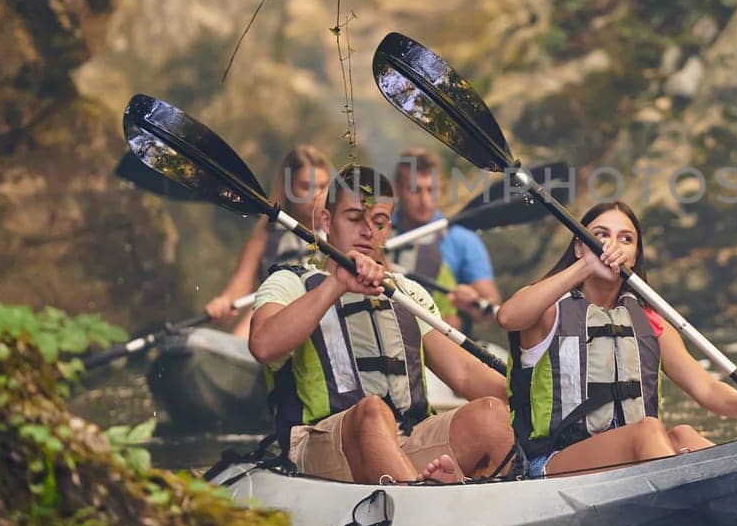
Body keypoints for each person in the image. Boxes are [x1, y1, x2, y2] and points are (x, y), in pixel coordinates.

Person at [248, 164, 514, 485]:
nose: (367, 232)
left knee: (492, 413)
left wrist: (525, 388)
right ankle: (421, 505)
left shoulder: (406, 292)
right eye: (354, 218)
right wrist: (336, 285)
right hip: (324, 445)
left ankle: (451, 493)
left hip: (407, 437)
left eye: (378, 222)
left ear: (387, 230)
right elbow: (262, 346)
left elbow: (466, 374)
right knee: (372, 411)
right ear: (328, 221)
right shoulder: (289, 282)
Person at [497, 199, 737, 478]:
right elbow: (508, 317)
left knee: (683, 434)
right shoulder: (549, 310)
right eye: (599, 236)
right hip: (552, 464)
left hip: (631, 465)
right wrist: (586, 265)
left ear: (634, 255)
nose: (610, 245)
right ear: (579, 245)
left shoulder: (649, 321)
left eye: (625, 239)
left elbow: (707, 390)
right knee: (648, 430)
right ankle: (690, 507)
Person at [204, 143, 331, 337]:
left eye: (323, 186)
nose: (317, 196)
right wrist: (223, 302)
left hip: (326, 314)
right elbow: (240, 285)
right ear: (288, 189)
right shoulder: (267, 234)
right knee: (244, 334)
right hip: (276, 312)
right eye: (306, 186)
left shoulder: (339, 232)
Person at [388, 149, 500, 326]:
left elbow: (492, 306)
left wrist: (473, 302)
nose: (425, 200)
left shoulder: (463, 240)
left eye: (431, 189)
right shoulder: (379, 230)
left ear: (441, 188)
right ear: (397, 190)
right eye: (415, 190)